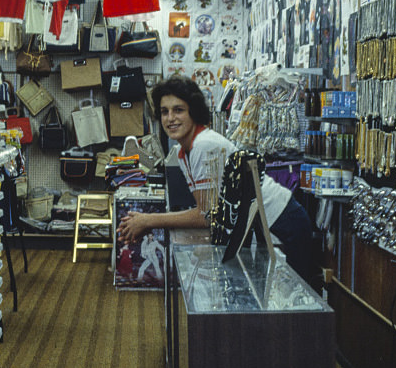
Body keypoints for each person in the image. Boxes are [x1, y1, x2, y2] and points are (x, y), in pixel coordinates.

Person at [116, 76, 320, 287]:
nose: (170, 118)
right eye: (165, 111)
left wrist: (149, 221)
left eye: (179, 110)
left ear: (193, 112)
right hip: (263, 227)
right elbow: (208, 212)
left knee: (296, 301)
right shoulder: (185, 151)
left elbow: (206, 217)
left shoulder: (204, 145)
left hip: (285, 225)